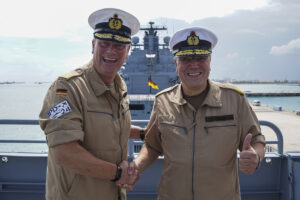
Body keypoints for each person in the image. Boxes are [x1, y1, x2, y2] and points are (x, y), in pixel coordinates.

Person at [129, 27, 266, 200]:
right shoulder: (163, 101)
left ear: (209, 61)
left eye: (201, 58)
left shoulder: (235, 99)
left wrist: (256, 158)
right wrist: (136, 166)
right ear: (175, 64)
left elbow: (256, 139)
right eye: (185, 59)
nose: (194, 65)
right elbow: (152, 145)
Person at [39, 8, 142, 200]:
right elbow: (64, 154)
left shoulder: (118, 86)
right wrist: (119, 173)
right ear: (93, 45)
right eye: (104, 43)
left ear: (128, 51)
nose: (111, 51)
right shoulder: (67, 89)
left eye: (119, 46)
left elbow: (110, 127)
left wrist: (144, 133)